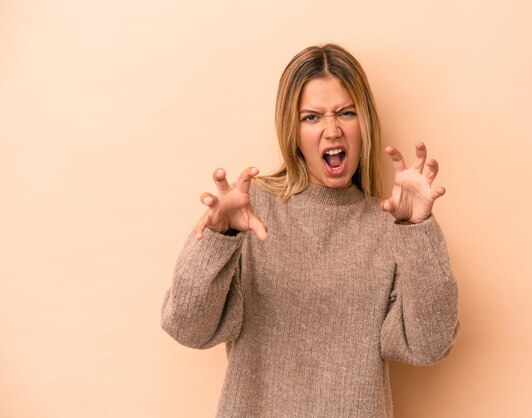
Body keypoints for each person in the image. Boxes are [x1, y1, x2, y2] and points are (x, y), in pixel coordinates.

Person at [161, 43, 460, 418]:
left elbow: (429, 344)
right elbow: (187, 326)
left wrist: (418, 230)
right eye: (312, 117)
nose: (332, 130)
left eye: (346, 113)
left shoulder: (388, 226)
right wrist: (218, 239)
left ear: (364, 122)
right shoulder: (249, 213)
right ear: (293, 129)